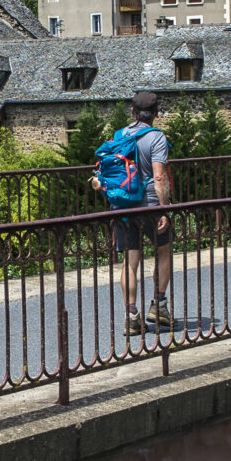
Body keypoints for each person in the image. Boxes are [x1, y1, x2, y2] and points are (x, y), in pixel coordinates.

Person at [93, 90, 175, 332]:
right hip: (149, 204)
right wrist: (164, 209)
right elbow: (159, 177)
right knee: (164, 251)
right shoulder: (156, 137)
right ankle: (158, 306)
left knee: (130, 260)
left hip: (122, 206)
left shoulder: (119, 135)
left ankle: (131, 317)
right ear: (156, 113)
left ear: (132, 112)